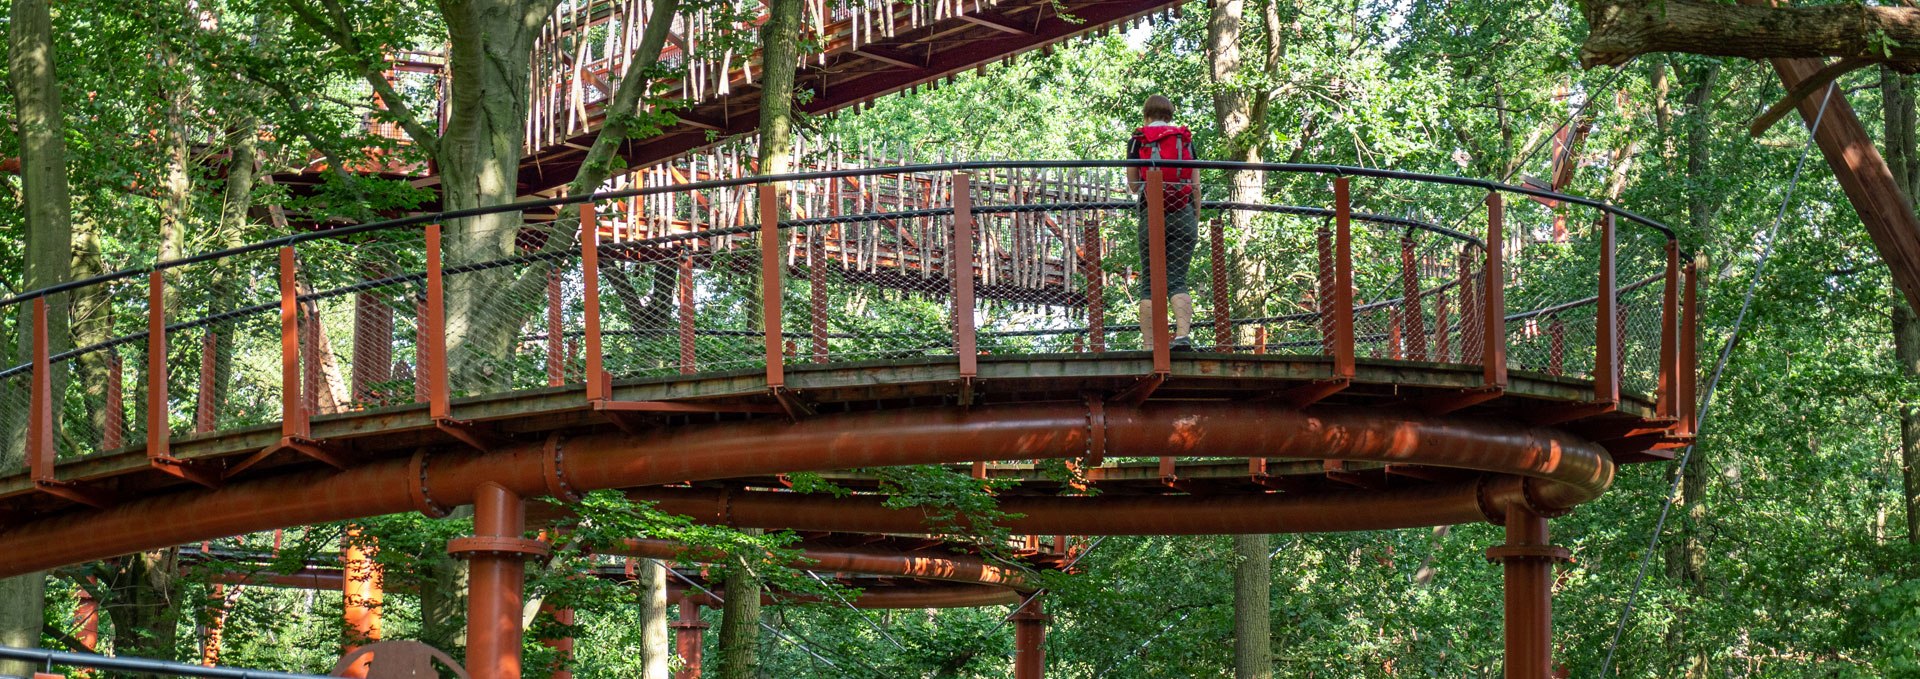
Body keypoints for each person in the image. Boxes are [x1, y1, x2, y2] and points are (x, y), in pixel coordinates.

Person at [1126, 94, 1199, 352]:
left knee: (1149, 282)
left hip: (1151, 214)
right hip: (1183, 213)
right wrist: (1195, 215)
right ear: (1170, 114)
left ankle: (1148, 345)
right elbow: (1195, 183)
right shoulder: (1184, 139)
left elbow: (1134, 186)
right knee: (1177, 279)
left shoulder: (1138, 139)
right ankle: (1182, 337)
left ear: (1147, 115)